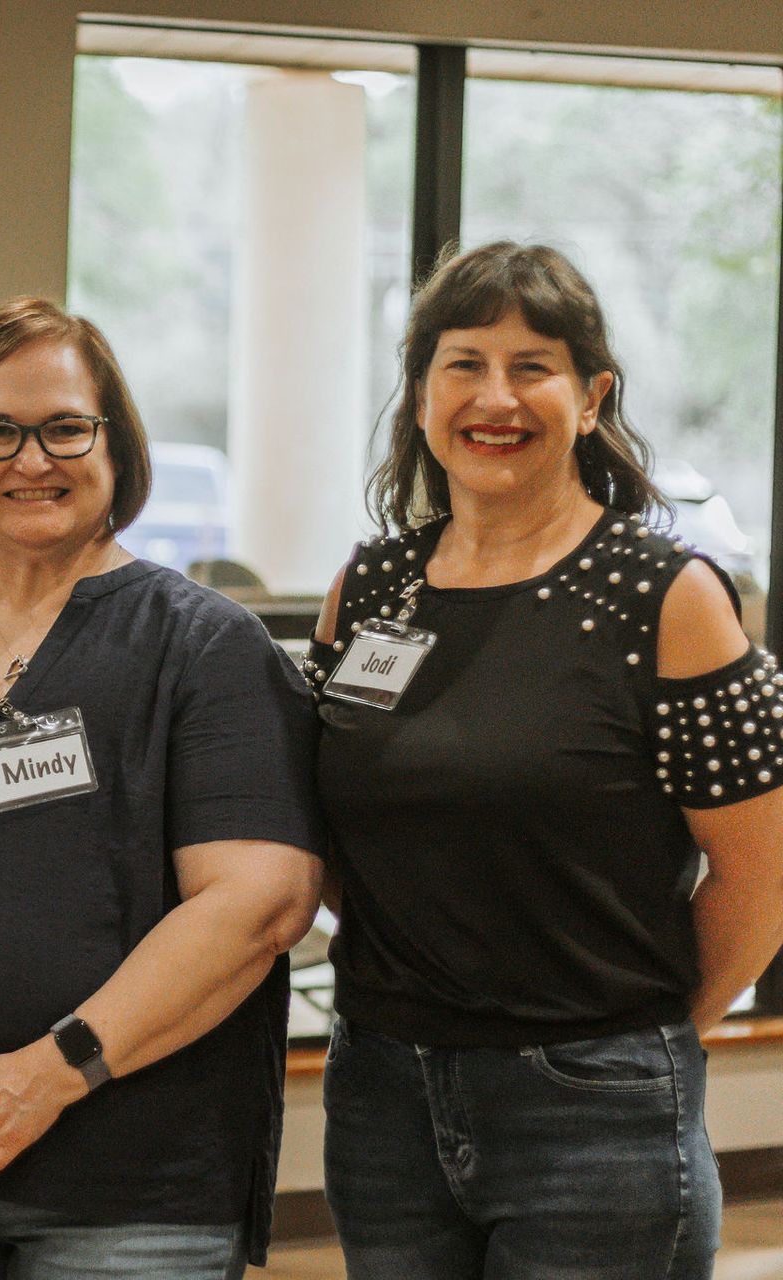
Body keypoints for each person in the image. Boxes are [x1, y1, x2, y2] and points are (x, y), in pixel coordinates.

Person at [0, 297, 324, 1280]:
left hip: (131, 1187)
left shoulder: (206, 649)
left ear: (117, 447)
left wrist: (56, 1067)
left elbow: (261, 901)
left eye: (65, 427)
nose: (30, 458)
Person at [304, 240, 783, 1279]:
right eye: (464, 363)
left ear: (592, 392)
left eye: (533, 366)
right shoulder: (373, 586)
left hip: (596, 1113)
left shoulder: (669, 595)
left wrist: (633, 1040)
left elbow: (761, 874)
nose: (496, 397)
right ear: (422, 392)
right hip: (383, 1092)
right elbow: (334, 823)